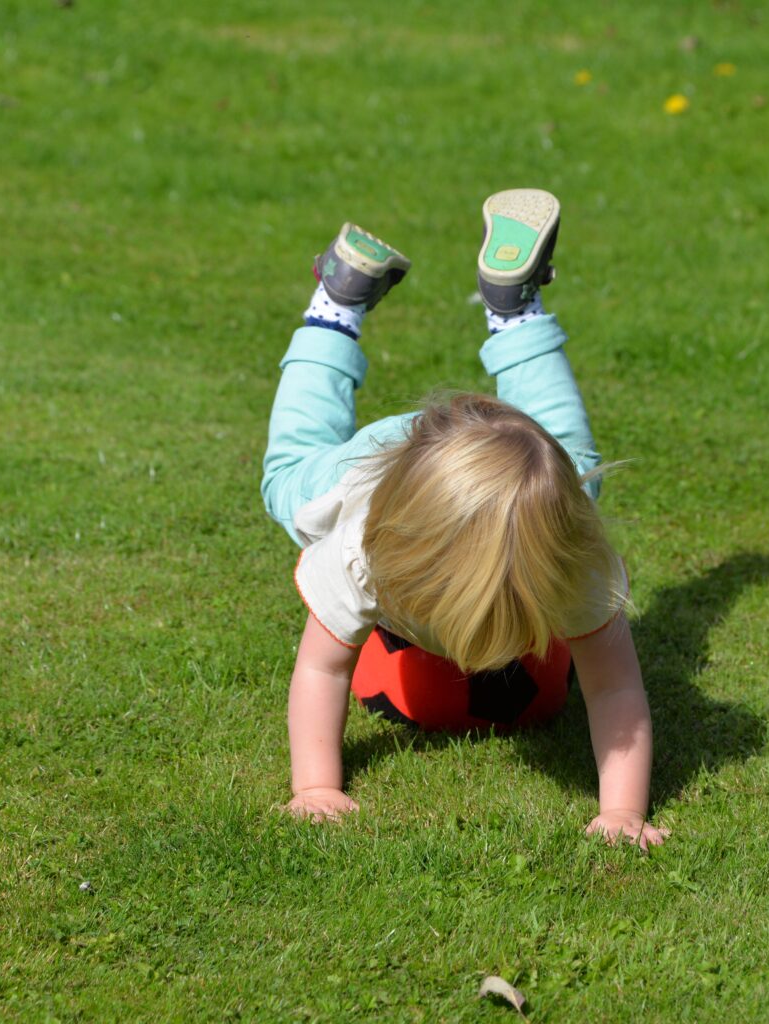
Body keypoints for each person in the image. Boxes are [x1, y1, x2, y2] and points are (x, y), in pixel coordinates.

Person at [261, 189, 668, 850]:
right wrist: (315, 788)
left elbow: (616, 684)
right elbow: (322, 669)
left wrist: (622, 811)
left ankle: (505, 307)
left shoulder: (571, 558)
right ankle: (339, 305)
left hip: (513, 463)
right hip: (369, 471)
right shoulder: (358, 552)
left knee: (568, 456)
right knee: (288, 481)